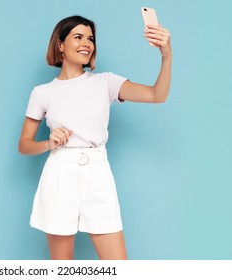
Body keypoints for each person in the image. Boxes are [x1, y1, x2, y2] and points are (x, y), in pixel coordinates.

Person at [18, 15, 171, 260]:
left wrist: (166, 55)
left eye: (90, 38)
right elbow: (24, 145)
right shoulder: (42, 93)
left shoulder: (105, 82)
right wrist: (49, 143)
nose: (87, 43)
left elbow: (156, 95)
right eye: (78, 37)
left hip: (97, 173)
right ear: (60, 45)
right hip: (59, 175)